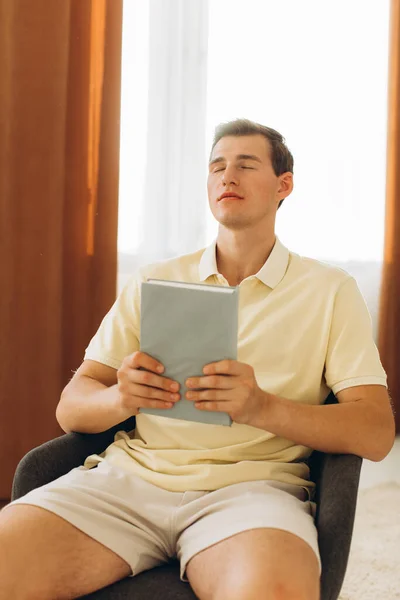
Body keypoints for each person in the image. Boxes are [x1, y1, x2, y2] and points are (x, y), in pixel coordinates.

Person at [0, 119, 395, 600]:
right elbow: (72, 407)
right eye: (217, 167)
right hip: (126, 483)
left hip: (252, 495)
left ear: (283, 185)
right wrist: (122, 397)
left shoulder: (330, 291)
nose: (227, 176)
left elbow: (375, 432)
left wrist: (261, 408)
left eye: (246, 165)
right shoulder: (156, 280)